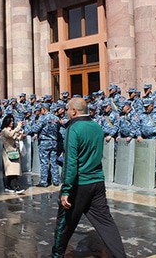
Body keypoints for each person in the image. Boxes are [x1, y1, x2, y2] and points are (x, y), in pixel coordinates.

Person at [52, 97, 126, 258]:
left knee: (64, 223)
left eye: (67, 109)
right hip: (97, 182)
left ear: (73, 111)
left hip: (79, 184)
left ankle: (56, 255)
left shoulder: (74, 128)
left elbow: (71, 161)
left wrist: (66, 189)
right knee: (106, 223)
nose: (66, 112)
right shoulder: (97, 127)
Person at [32, 103, 61, 187]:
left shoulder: (43, 118)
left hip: (45, 142)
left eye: (41, 109)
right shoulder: (56, 118)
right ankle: (56, 181)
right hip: (54, 142)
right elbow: (58, 128)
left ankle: (44, 182)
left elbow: (36, 128)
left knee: (44, 162)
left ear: (44, 109)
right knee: (53, 162)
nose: (41, 111)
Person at [0, 115, 25, 194]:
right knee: (12, 171)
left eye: (12, 121)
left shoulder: (12, 130)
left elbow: (15, 137)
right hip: (8, 152)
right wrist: (18, 127)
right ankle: (16, 187)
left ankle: (8, 186)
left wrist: (21, 135)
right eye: (10, 121)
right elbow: (10, 135)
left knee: (13, 171)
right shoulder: (4, 130)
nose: (12, 123)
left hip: (14, 152)